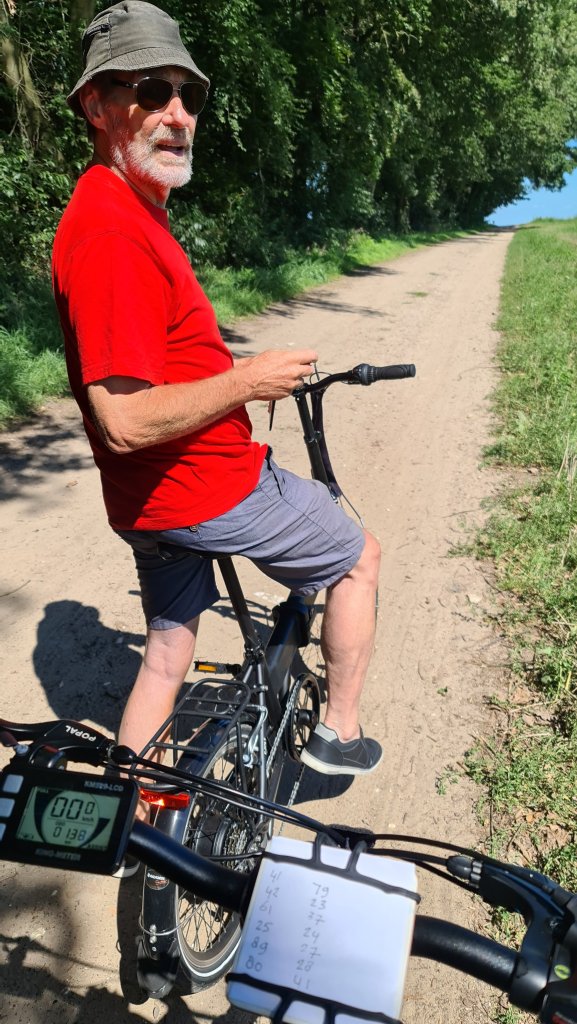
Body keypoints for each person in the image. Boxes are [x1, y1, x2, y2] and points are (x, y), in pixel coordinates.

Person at [52, 0, 382, 780]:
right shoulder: (112, 232)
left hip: (147, 503)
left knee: (167, 653)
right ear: (97, 106)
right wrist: (246, 380)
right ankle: (337, 735)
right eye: (150, 91)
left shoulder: (125, 210)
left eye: (189, 94)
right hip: (206, 485)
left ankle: (135, 820)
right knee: (357, 560)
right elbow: (124, 419)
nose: (177, 114)